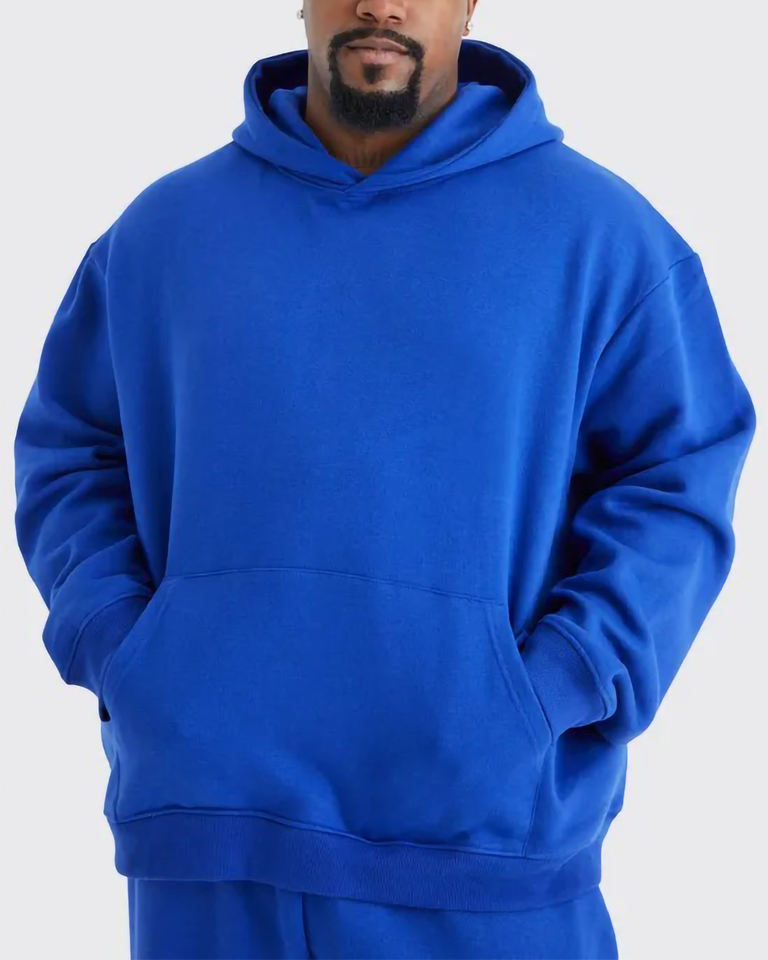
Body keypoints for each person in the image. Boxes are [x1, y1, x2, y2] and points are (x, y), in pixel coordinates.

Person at [13, 2, 756, 958]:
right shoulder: (162, 234)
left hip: (487, 849)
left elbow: (676, 483)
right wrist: (125, 647)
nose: (381, 3)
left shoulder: (604, 239)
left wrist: (553, 685)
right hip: (207, 845)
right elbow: (70, 450)